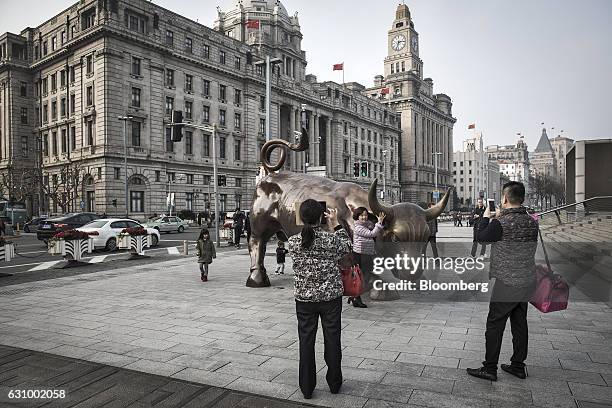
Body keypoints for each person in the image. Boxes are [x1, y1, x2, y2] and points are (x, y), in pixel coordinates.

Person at [467, 181, 538, 382]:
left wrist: (486, 219)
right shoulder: (532, 221)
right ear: (522, 199)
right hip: (526, 280)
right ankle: (518, 365)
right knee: (519, 323)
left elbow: (481, 238)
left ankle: (489, 368)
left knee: (495, 324)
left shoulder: (500, 223)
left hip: (507, 282)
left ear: (505, 199)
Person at [287, 199, 351, 399]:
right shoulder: (331, 239)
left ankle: (307, 387)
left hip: (304, 299)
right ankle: (334, 383)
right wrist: (336, 224)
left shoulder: (293, 241)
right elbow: (348, 247)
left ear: (301, 217)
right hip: (330, 297)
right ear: (321, 216)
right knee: (333, 339)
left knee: (306, 342)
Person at [349, 207, 385, 308]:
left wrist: (379, 222)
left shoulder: (365, 224)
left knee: (364, 276)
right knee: (362, 277)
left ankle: (355, 297)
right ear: (357, 216)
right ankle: (356, 297)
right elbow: (372, 233)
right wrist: (379, 223)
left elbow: (373, 227)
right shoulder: (358, 227)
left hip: (366, 254)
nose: (364, 217)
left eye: (365, 215)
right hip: (360, 255)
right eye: (361, 215)